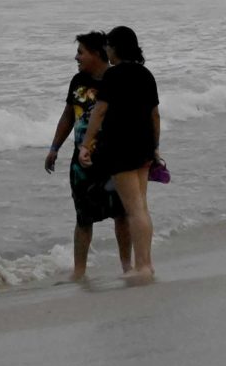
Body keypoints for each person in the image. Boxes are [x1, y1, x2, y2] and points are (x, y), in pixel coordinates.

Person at [44, 31, 131, 281]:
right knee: (83, 217)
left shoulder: (116, 79)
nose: (76, 57)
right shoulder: (78, 81)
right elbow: (68, 115)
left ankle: (127, 268)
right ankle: (79, 272)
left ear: (96, 53)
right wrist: (54, 148)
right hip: (81, 162)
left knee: (121, 214)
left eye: (81, 52)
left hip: (113, 159)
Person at [79, 26, 159, 285]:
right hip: (144, 145)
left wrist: (86, 144)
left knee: (133, 208)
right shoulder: (146, 74)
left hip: (120, 147)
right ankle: (145, 264)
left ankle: (143, 266)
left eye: (109, 47)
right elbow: (154, 115)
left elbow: (99, 112)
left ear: (117, 48)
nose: (107, 51)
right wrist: (155, 146)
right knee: (141, 207)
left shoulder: (113, 75)